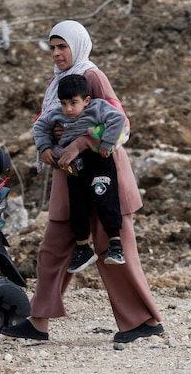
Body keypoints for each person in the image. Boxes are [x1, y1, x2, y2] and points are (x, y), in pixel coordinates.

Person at [2, 20, 163, 344]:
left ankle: (143, 322)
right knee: (53, 248)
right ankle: (38, 321)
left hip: (103, 173)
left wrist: (78, 142)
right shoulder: (58, 82)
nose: (57, 53)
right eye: (53, 47)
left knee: (113, 248)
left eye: (63, 46)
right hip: (71, 176)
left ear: (78, 45)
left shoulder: (91, 76)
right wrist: (48, 145)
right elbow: (47, 122)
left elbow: (122, 125)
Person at [33, 74, 129, 272]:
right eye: (64, 103)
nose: (68, 109)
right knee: (77, 204)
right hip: (75, 166)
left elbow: (119, 118)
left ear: (86, 100)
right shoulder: (56, 114)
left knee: (106, 199)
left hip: (99, 161)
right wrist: (44, 148)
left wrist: (107, 143)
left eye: (73, 103)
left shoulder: (97, 107)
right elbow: (39, 126)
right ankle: (83, 247)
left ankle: (116, 246)